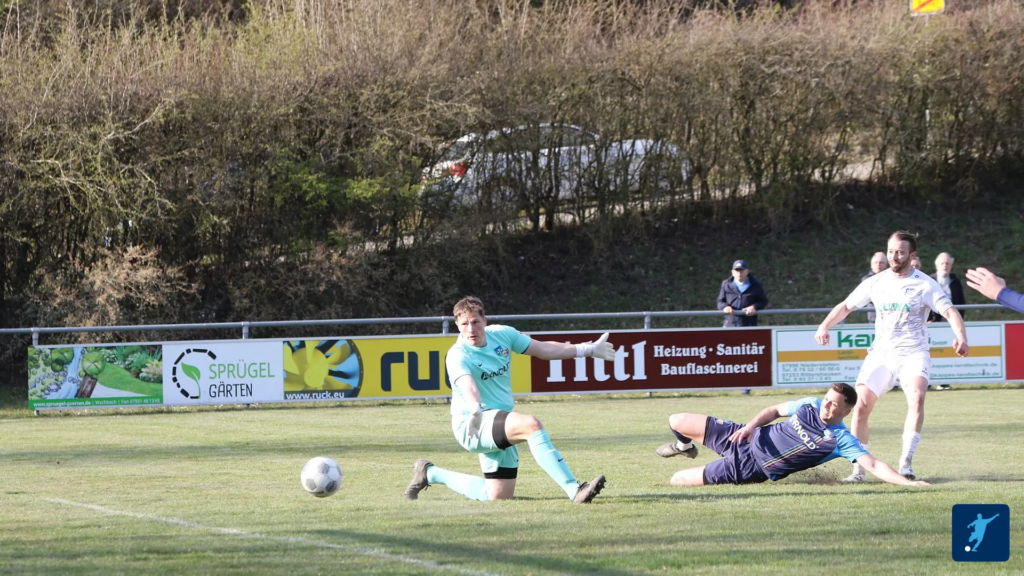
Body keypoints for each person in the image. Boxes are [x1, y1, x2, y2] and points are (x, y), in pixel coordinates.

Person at [404, 296, 612, 504]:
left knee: (498, 497)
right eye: (464, 324)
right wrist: (475, 409)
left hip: (499, 421)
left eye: (475, 322)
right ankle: (575, 490)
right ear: (457, 325)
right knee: (531, 425)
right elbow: (468, 385)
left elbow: (544, 349)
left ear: (485, 321)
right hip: (472, 425)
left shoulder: (503, 334)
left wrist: (588, 349)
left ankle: (429, 473)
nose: (471, 329)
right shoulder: (457, 355)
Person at [813, 231, 969, 482]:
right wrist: (824, 326)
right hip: (881, 355)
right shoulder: (876, 281)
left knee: (917, 398)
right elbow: (846, 306)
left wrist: (961, 336)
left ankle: (906, 463)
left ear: (912, 255)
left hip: (913, 353)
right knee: (860, 407)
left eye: (900, 252)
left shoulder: (924, 284)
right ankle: (858, 470)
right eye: (891, 251)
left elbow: (950, 311)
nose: (894, 256)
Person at [654, 383, 929, 487]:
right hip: (742, 435)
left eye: (833, 404)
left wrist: (907, 483)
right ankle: (684, 446)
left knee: (677, 479)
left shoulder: (840, 439)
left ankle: (689, 454)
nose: (826, 405)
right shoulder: (810, 404)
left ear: (846, 412)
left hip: (750, 467)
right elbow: (774, 410)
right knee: (676, 420)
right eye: (826, 399)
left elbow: (873, 464)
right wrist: (749, 426)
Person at [717, 259, 768, 328]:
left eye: (742, 270)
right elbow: (720, 301)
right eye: (737, 271)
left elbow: (763, 301)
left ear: (747, 271)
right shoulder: (726, 284)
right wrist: (725, 307)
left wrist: (754, 307)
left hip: (749, 325)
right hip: (729, 325)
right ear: (732, 272)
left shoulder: (756, 285)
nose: (739, 273)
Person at [928, 252, 967, 323]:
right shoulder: (930, 281)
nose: (945, 265)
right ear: (937, 266)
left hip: (953, 318)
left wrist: (960, 319)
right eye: (942, 263)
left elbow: (961, 301)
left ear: (951, 266)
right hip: (935, 319)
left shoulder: (955, 281)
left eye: (947, 263)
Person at [862, 252, 888, 323]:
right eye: (875, 262)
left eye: (881, 262)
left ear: (886, 265)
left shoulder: (892, 278)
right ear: (871, 265)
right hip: (874, 316)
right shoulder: (866, 279)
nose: (878, 264)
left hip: (890, 316)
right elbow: (869, 297)